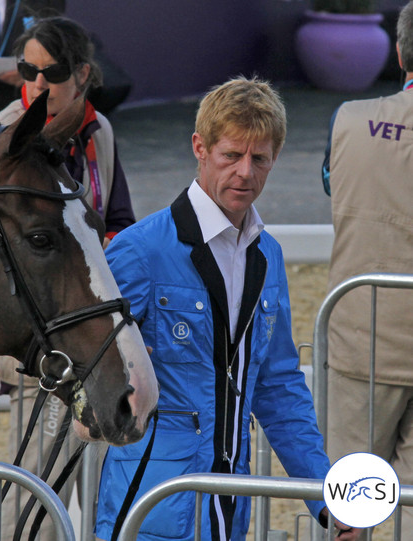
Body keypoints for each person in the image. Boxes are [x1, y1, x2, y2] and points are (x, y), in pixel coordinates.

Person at [95, 77, 357, 541]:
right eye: (231, 156)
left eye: (259, 158)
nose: (245, 172)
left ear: (276, 157)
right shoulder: (139, 251)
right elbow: (90, 370)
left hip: (229, 504)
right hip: (150, 502)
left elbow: (278, 386)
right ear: (200, 146)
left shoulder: (267, 255)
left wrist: (326, 497)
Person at [0, 16, 135, 540]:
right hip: (40, 344)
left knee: (98, 490)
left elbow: (120, 218)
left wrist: (96, 250)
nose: (36, 84)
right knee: (35, 495)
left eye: (49, 73)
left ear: (82, 75)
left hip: (94, 336)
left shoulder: (100, 131)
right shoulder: (8, 133)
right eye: (27, 69)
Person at [321, 2, 413, 538]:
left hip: (362, 340)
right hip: (370, 339)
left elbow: (333, 186)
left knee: (351, 515)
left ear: (399, 53)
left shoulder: (349, 119)